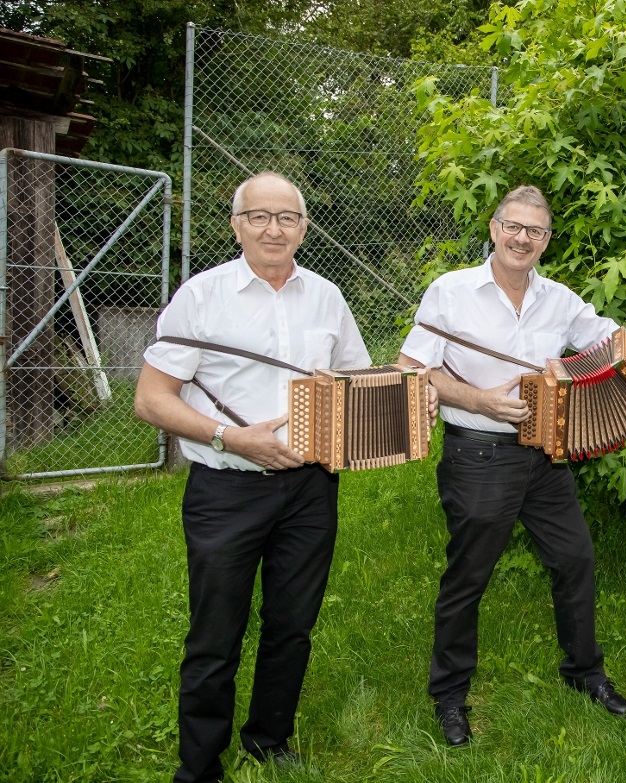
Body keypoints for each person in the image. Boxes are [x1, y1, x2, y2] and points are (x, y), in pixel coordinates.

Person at [398, 184, 626, 746]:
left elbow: (610, 336)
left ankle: (584, 675)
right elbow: (413, 370)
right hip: (477, 454)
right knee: (468, 578)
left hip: (545, 459)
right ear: (495, 229)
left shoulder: (559, 299)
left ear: (546, 241)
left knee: (575, 561)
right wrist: (479, 400)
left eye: (536, 231)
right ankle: (450, 697)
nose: (523, 238)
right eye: (513, 226)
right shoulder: (450, 292)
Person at [135, 172, 373, 783]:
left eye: (286, 218)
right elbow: (151, 398)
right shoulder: (202, 295)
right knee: (216, 635)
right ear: (236, 224)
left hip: (311, 489)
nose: (274, 228)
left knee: (292, 625)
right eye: (259, 216)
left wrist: (406, 402)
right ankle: (200, 767)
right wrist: (228, 437)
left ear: (303, 227)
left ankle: (269, 739)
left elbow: (354, 383)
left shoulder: (327, 297)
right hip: (226, 490)